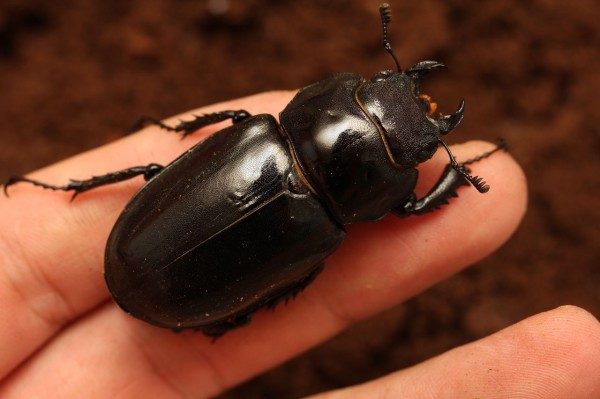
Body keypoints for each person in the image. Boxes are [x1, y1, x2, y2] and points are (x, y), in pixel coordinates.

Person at [0, 92, 598, 398]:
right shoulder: (322, 217)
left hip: (157, 265)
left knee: (160, 164)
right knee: (303, 269)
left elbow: (408, 208)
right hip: (170, 281)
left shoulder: (255, 130)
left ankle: (74, 190)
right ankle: (224, 323)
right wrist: (455, 174)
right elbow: (412, 206)